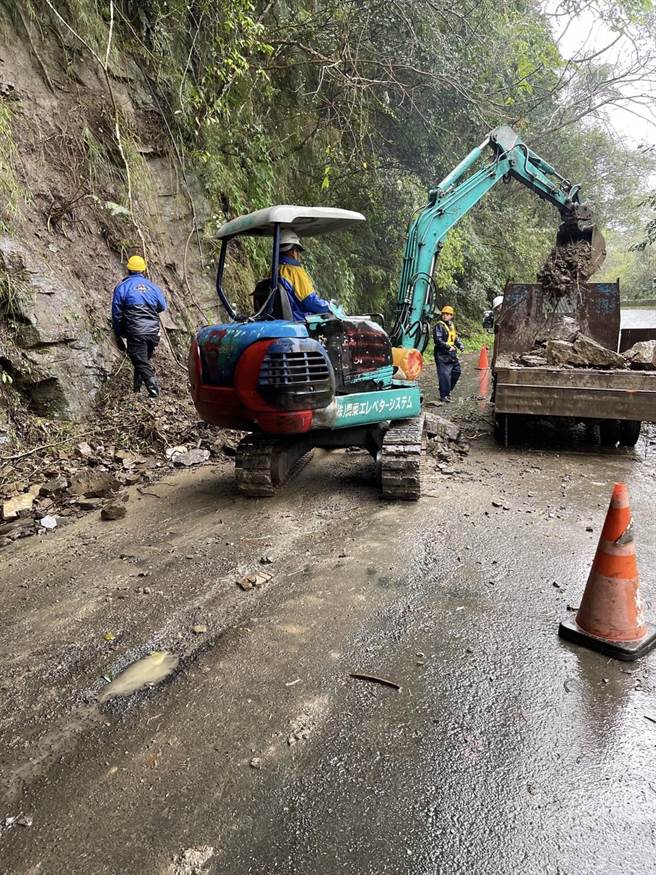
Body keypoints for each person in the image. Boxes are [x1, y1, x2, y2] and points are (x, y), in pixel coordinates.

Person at [112, 255, 167, 397]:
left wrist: (119, 331)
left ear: (128, 269)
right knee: (142, 361)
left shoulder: (122, 287)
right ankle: (136, 391)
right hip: (153, 332)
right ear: (144, 270)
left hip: (136, 331)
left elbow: (117, 313)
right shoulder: (153, 287)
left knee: (141, 362)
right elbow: (162, 306)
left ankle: (154, 391)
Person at [277, 230, 334, 320]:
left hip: (277, 319)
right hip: (297, 320)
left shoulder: (273, 271)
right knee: (331, 317)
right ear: (292, 251)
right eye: (297, 250)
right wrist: (331, 307)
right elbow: (310, 301)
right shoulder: (294, 271)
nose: (298, 254)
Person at [433, 304, 464, 403]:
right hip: (442, 354)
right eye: (444, 314)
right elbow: (438, 340)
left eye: (447, 314)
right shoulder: (439, 325)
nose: (445, 315)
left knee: (457, 371)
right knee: (444, 375)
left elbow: (454, 338)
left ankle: (447, 390)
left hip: (451, 354)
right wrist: (447, 346)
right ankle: (444, 395)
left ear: (451, 316)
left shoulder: (451, 325)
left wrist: (460, 345)